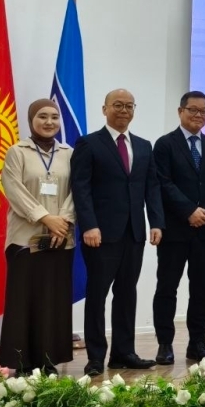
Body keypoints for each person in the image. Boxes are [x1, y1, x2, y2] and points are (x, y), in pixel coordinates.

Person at [70, 88, 164, 375]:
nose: (124, 110)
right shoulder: (88, 143)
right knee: (97, 295)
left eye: (129, 106)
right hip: (100, 234)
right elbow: (81, 188)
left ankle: (123, 353)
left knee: (126, 294)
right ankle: (96, 357)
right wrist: (89, 225)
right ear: (105, 109)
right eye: (118, 105)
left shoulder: (144, 146)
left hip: (134, 233)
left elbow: (151, 187)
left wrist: (156, 222)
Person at [151, 91, 205, 366]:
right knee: (167, 288)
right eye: (192, 110)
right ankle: (165, 344)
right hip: (174, 230)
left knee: (201, 289)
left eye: (203, 111)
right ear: (180, 111)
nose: (198, 115)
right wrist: (189, 211)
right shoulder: (165, 144)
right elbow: (163, 183)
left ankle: (198, 343)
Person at [0, 100, 76, 374]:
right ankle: (22, 362)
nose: (49, 122)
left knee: (52, 301)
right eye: (42, 116)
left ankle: (47, 360)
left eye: (54, 117)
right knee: (24, 301)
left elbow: (76, 191)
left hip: (60, 238)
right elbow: (13, 189)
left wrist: (62, 220)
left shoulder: (69, 153)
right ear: (32, 120)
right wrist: (45, 218)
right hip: (24, 238)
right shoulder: (17, 152)